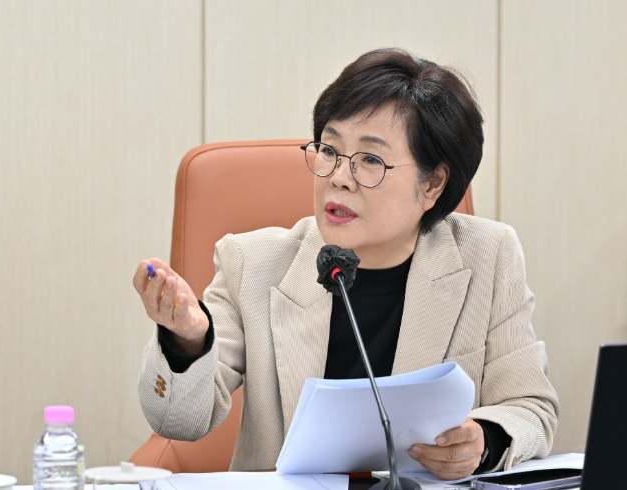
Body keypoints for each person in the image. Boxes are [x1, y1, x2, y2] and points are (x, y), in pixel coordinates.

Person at [133, 48, 559, 480]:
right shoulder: (253, 264)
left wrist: (483, 440)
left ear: (433, 183)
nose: (338, 177)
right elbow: (178, 422)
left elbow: (531, 409)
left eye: (370, 160)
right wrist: (187, 341)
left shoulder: (489, 257)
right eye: (329, 150)